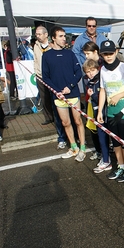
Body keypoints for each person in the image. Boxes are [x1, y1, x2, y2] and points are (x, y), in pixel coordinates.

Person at [42, 26, 86, 162]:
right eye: (60, 36)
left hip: (73, 94)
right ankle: (73, 147)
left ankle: (82, 148)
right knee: (65, 122)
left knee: (78, 121)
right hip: (58, 96)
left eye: (64, 36)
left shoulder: (70, 54)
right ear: (53, 38)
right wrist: (57, 91)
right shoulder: (47, 56)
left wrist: (70, 86)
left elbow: (78, 72)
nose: (63, 39)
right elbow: (46, 77)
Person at [97, 40, 124, 182]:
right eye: (105, 54)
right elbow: (103, 90)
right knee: (115, 141)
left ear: (116, 52)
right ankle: (120, 166)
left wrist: (119, 95)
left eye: (111, 53)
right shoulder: (103, 70)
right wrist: (100, 111)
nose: (108, 56)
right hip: (111, 111)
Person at [82, 50, 112, 174]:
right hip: (95, 112)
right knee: (100, 137)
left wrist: (93, 95)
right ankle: (104, 157)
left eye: (92, 71)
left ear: (97, 69)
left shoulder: (100, 80)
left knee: (103, 137)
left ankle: (106, 161)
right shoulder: (90, 81)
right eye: (88, 72)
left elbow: (101, 98)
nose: (90, 74)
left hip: (103, 113)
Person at [34, 26, 54, 126]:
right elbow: (35, 60)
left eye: (39, 34)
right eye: (36, 34)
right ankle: (48, 117)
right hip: (40, 76)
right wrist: (36, 72)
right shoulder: (36, 45)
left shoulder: (52, 45)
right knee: (44, 97)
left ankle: (56, 116)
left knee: (53, 97)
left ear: (46, 34)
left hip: (51, 76)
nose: (37, 36)